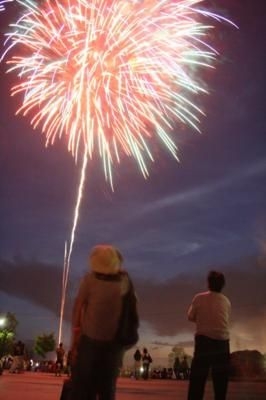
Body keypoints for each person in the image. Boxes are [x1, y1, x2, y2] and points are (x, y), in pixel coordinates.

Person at [69, 244, 139, 400]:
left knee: (83, 387)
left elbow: (77, 309)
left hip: (89, 341)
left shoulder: (89, 280)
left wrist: (75, 339)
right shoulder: (124, 282)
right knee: (107, 388)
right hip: (114, 344)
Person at [187, 270, 231, 400]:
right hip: (223, 342)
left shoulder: (199, 298)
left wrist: (201, 319)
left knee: (198, 379)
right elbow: (225, 320)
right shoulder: (227, 301)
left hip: (204, 341)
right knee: (221, 382)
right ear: (222, 285)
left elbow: (190, 316)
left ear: (208, 283)